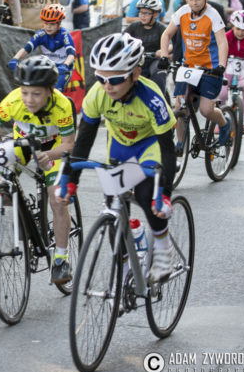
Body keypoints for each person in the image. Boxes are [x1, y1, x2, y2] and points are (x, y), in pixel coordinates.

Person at [60, 33, 176, 283]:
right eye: (100, 78)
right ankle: (123, 270)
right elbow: (84, 141)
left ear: (135, 74)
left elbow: (168, 149)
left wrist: (165, 193)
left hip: (149, 146)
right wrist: (72, 182)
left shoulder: (152, 98)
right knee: (113, 208)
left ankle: (163, 246)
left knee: (146, 194)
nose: (107, 86)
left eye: (115, 79)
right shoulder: (97, 95)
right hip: (120, 147)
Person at [0, 55, 75, 279]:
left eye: (36, 94)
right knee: (0, 191)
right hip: (22, 144)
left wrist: (49, 155)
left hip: (52, 147)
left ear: (50, 91)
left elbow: (69, 144)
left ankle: (61, 259)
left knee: (56, 198)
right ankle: (25, 214)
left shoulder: (62, 105)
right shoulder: (14, 100)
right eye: (25, 92)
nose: (29, 100)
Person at [159, 0, 230, 151]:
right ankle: (180, 144)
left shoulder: (213, 15)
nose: (194, 2)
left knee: (206, 110)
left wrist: (221, 65)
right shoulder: (182, 12)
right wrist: (164, 56)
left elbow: (222, 42)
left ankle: (225, 124)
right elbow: (166, 35)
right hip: (188, 67)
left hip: (210, 69)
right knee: (180, 107)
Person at [7, 4, 75, 92]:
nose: (48, 26)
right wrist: (15, 59)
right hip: (48, 67)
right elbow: (26, 49)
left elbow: (71, 54)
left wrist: (65, 65)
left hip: (63, 68)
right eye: (46, 23)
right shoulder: (40, 34)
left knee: (55, 91)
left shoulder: (64, 34)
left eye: (52, 24)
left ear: (59, 24)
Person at [124, 0, 168, 99]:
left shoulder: (160, 28)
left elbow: (170, 45)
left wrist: (162, 51)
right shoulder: (134, 27)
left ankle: (159, 98)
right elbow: (123, 41)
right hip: (137, 60)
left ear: (155, 14)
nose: (142, 16)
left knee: (159, 73)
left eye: (147, 13)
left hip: (154, 60)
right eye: (141, 12)